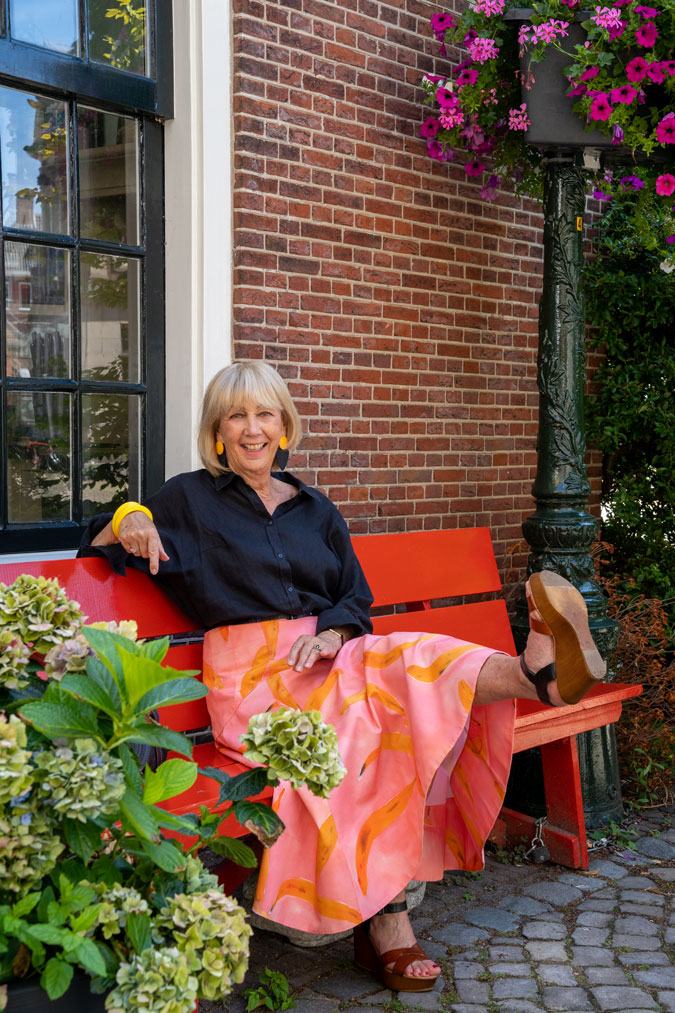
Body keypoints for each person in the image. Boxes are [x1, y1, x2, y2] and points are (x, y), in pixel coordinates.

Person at [80, 361, 606, 994]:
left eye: (266, 413)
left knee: (407, 654)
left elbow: (355, 598)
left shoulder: (315, 508)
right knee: (369, 734)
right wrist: (129, 515)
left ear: (285, 425)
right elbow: (99, 547)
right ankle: (389, 932)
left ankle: (536, 674)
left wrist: (332, 634)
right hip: (253, 682)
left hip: (328, 658)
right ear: (217, 430)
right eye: (238, 415)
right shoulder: (188, 499)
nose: (253, 429)